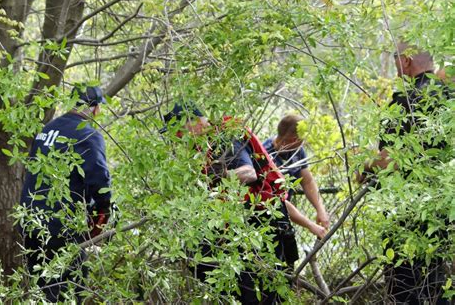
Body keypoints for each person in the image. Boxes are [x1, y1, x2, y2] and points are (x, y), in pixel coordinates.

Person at [161, 102, 326, 304]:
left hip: (264, 227)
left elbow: (248, 174)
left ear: (192, 124)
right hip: (251, 224)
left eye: (177, 131)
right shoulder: (209, 145)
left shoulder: (224, 139)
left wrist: (211, 179)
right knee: (200, 258)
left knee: (263, 294)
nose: (177, 139)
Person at [357, 43, 452, 304]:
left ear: (407, 61)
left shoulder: (404, 102)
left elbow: (393, 159)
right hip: (441, 209)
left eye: (397, 60)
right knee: (436, 279)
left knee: (404, 285)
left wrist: (365, 165)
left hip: (404, 212)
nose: (396, 68)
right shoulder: (449, 97)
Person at [19, 85, 112, 302]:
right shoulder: (88, 135)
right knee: (71, 289)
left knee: (43, 289)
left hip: (30, 222)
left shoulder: (46, 130)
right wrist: (102, 215)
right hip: (61, 227)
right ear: (96, 108)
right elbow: (100, 183)